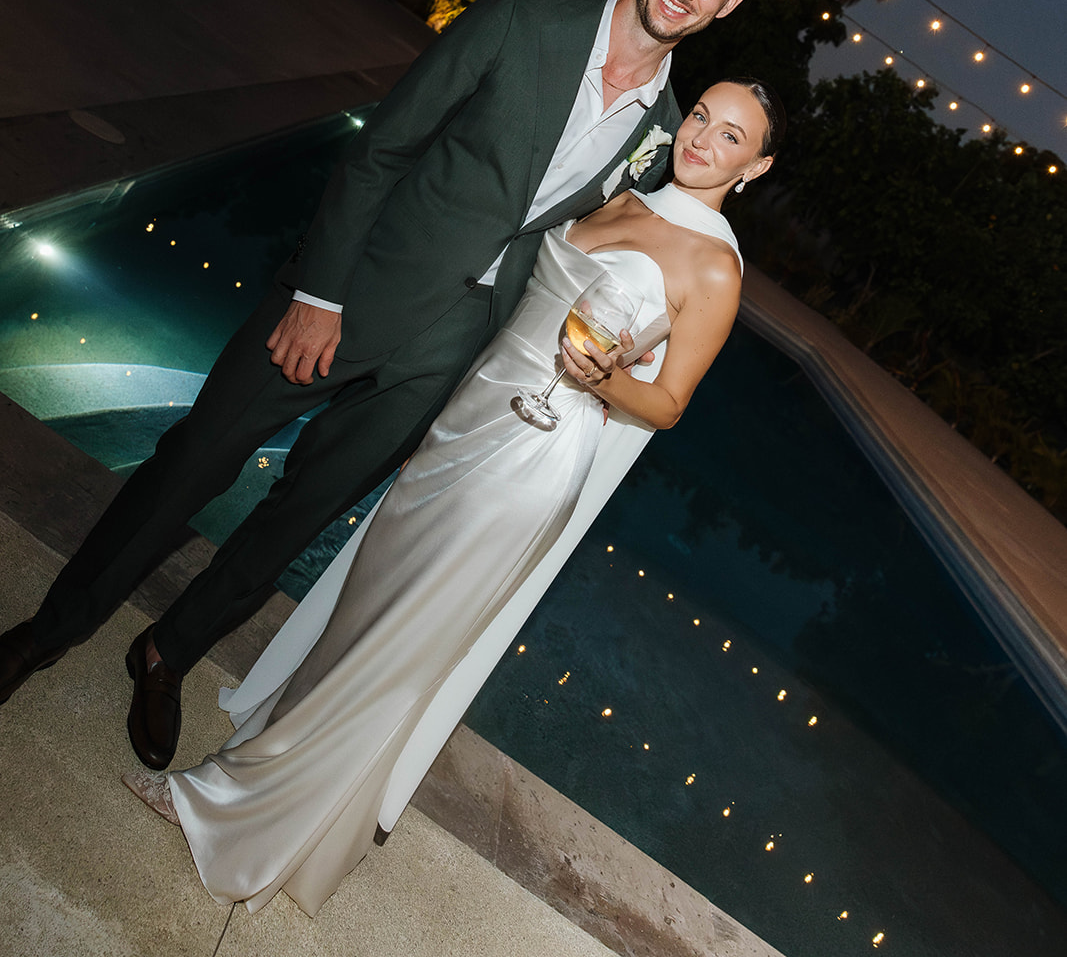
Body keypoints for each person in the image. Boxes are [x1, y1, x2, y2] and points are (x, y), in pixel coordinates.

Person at [0, 0, 769, 772]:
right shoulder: (520, 22)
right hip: (347, 296)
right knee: (192, 460)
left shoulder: (673, 132)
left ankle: (166, 654)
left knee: (297, 518)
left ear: (729, 3)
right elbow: (383, 148)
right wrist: (319, 294)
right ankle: (45, 633)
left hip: (449, 354)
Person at [122, 78, 785, 917]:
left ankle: (236, 813)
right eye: (699, 117)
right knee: (363, 616)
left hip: (530, 453)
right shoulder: (623, 193)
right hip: (460, 426)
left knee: (391, 649)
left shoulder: (713, 265)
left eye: (730, 137)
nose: (701, 139)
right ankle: (287, 792)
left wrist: (610, 377)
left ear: (753, 166)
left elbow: (669, 403)